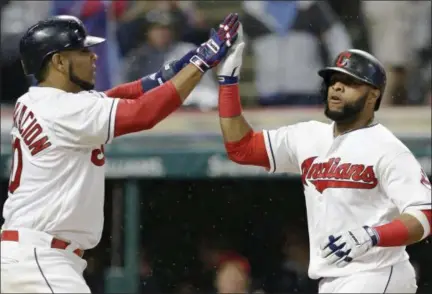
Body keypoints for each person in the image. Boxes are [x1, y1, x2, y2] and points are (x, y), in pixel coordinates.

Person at [0, 14, 240, 293]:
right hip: (41, 258)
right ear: (58, 61)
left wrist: (181, 65)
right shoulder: (65, 110)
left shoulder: (38, 100)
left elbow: (123, 95)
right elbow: (144, 113)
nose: (94, 58)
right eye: (83, 51)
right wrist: (201, 64)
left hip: (29, 253)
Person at [215, 24, 431, 293]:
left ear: (373, 94)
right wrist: (227, 85)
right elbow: (241, 149)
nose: (337, 88)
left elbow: (425, 215)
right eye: (333, 80)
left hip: (377, 273)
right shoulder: (308, 136)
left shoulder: (388, 149)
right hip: (333, 279)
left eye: (350, 82)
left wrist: (373, 235)